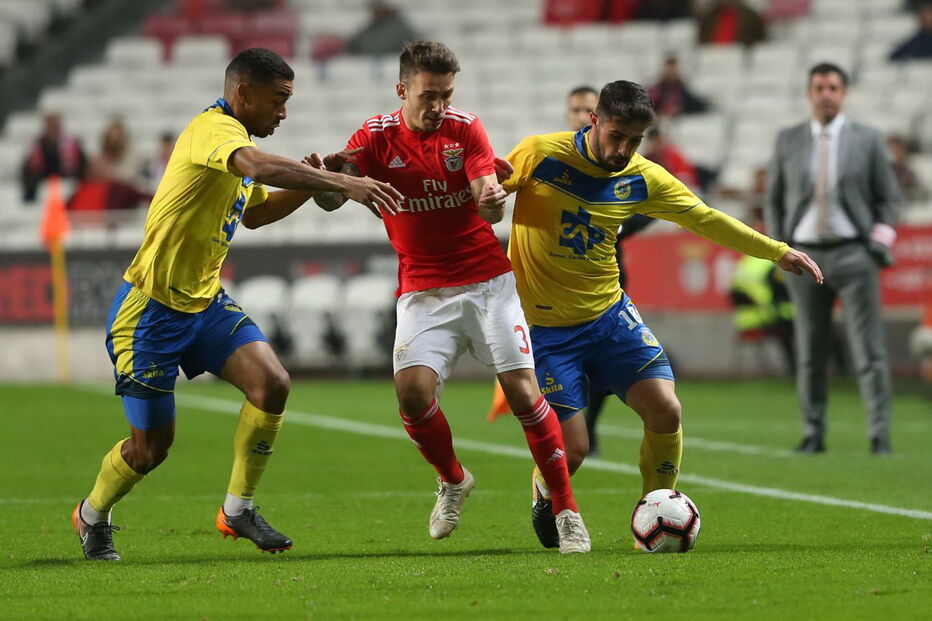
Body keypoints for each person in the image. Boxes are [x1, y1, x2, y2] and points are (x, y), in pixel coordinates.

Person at [71, 48, 402, 561]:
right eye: (279, 100)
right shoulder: (213, 131)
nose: (284, 112)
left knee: (273, 383)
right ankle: (92, 515)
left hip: (204, 304)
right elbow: (254, 165)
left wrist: (318, 180)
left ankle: (237, 508)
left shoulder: (236, 144)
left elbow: (258, 213)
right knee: (150, 449)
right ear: (243, 93)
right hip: (150, 312)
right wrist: (339, 182)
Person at [492, 80, 821, 548]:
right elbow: (483, 191)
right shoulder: (539, 154)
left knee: (666, 409)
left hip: (608, 316)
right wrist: (486, 202)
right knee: (576, 450)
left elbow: (704, 217)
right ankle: (546, 491)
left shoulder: (643, 176)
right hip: (545, 329)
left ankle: (653, 512)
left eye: (634, 140)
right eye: (615, 136)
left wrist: (776, 251)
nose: (622, 149)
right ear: (594, 121)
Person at [312, 41, 590, 554]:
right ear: (402, 90)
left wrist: (490, 199)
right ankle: (453, 479)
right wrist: (323, 179)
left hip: (488, 283)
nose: (438, 105)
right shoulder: (372, 139)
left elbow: (490, 206)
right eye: (428, 95)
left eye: (446, 94)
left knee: (527, 395)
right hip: (423, 290)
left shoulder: (465, 128)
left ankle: (566, 510)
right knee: (412, 395)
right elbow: (332, 198)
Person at [765, 63, 901, 455]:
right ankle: (813, 432)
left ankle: (879, 434)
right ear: (809, 93)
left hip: (855, 252)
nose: (827, 93)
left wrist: (879, 238)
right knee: (810, 350)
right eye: (820, 87)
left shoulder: (868, 139)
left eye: (834, 87)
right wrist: (780, 247)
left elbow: (890, 198)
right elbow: (773, 199)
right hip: (804, 257)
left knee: (869, 349)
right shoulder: (787, 139)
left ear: (844, 93)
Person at [20, 113, 86, 202]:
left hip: (67, 176)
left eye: (55, 124)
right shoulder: (38, 143)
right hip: (43, 176)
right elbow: (31, 165)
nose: (53, 127)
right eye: (50, 124)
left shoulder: (72, 143)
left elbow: (81, 163)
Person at [697, 0, 766, 47]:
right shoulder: (709, 16)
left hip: (740, 59)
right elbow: (701, 42)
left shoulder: (752, 17)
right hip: (711, 57)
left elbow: (760, 45)